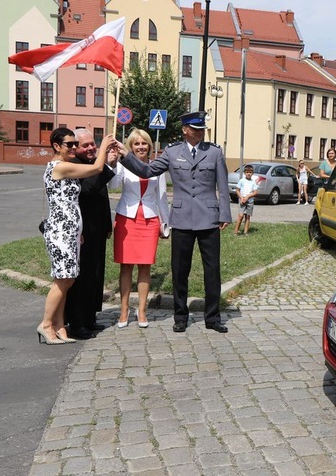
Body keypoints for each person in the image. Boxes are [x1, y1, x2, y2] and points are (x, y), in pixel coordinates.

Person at [115, 111, 232, 333]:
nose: (199, 133)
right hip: (181, 219)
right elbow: (148, 170)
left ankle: (213, 317)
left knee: (212, 270)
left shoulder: (214, 152)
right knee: (179, 270)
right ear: (185, 130)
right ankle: (180, 316)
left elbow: (223, 186)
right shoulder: (172, 152)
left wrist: (224, 214)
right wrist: (125, 156)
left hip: (209, 218)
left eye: (201, 129)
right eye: (195, 129)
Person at [38, 128, 113, 345]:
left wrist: (78, 231)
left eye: (73, 144)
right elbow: (98, 168)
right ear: (56, 146)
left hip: (71, 231)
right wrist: (105, 146)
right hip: (61, 230)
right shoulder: (60, 167)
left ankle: (60, 325)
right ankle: (46, 324)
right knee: (62, 280)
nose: (72, 148)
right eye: (69, 144)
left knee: (68, 279)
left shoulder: (66, 166)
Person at [109, 128, 170, 329]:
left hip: (150, 220)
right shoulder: (123, 165)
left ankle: (142, 310)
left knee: (145, 266)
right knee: (125, 265)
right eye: (136, 143)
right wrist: (112, 162)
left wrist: (165, 224)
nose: (141, 147)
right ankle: (124, 309)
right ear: (130, 147)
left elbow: (162, 197)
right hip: (127, 218)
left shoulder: (156, 167)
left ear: (150, 146)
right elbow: (113, 185)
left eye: (144, 143)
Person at [63, 129, 117, 340]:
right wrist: (106, 163)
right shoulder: (75, 166)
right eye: (85, 146)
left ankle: (90, 317)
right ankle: (77, 323)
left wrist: (107, 224)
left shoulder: (94, 162)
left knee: (95, 275)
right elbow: (92, 187)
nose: (91, 148)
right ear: (76, 147)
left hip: (97, 229)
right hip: (81, 231)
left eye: (93, 144)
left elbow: (102, 197)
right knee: (81, 278)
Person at [234, 164, 257, 235]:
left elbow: (255, 192)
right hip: (242, 201)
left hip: (250, 201)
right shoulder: (242, 181)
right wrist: (241, 197)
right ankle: (235, 231)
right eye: (247, 172)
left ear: (252, 173)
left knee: (247, 216)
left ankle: (245, 232)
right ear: (244, 173)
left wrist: (248, 196)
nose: (248, 174)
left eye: (250, 172)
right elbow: (237, 190)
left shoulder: (253, 182)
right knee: (240, 216)